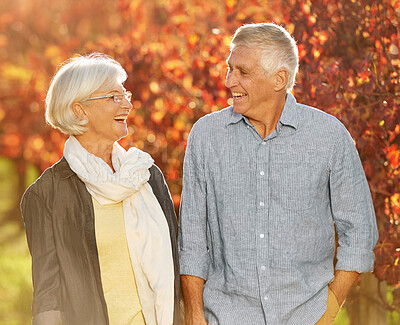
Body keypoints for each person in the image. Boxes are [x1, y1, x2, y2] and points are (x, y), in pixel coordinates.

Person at [179, 23, 378, 325]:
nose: (229, 80)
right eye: (229, 69)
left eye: (243, 72)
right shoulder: (206, 136)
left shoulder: (328, 136)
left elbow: (360, 232)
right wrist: (194, 314)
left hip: (307, 316)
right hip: (225, 317)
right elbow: (192, 238)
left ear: (279, 79)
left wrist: (329, 309)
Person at [21, 53, 181, 325]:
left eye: (125, 94)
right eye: (114, 97)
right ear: (79, 110)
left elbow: (178, 265)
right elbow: (48, 296)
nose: (128, 104)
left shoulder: (145, 174)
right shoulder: (46, 194)